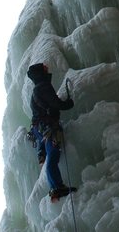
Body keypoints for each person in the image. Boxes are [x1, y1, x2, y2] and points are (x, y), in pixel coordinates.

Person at [27, 62, 76, 200]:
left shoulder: (37, 90)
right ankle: (57, 187)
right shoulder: (43, 87)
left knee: (50, 154)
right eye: (44, 68)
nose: (47, 69)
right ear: (41, 73)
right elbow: (56, 104)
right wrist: (69, 103)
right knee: (53, 154)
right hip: (48, 127)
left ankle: (54, 185)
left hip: (40, 129)